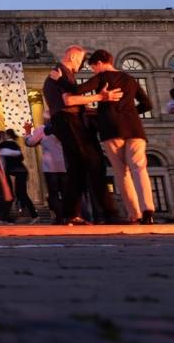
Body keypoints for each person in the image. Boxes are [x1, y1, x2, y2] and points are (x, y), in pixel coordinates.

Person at [66, 49, 155, 223]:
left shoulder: (102, 77)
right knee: (140, 168)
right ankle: (148, 210)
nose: (93, 71)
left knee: (122, 172)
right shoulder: (130, 79)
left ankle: (134, 214)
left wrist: (61, 81)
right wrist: (131, 113)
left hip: (112, 130)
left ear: (99, 63)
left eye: (93, 68)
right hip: (135, 129)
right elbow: (147, 104)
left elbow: (78, 89)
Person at [44, 45, 122, 225]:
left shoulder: (60, 72)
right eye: (79, 61)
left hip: (64, 121)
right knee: (95, 162)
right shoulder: (61, 71)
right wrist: (101, 98)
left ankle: (70, 214)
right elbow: (69, 100)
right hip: (69, 120)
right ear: (72, 56)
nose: (79, 66)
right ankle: (110, 212)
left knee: (77, 169)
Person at [25, 115, 67, 224]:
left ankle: (60, 218)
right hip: (65, 164)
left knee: (53, 193)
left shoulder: (42, 129)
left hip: (50, 166)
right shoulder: (65, 127)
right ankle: (69, 216)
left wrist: (28, 131)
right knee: (66, 192)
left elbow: (30, 142)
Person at [0, 129, 38, 222]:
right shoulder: (15, 145)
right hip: (20, 171)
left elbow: (17, 155)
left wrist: (2, 151)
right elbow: (21, 157)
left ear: (7, 135)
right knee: (20, 194)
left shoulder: (4, 144)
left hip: (15, 171)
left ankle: (2, 217)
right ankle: (34, 215)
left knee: (12, 194)